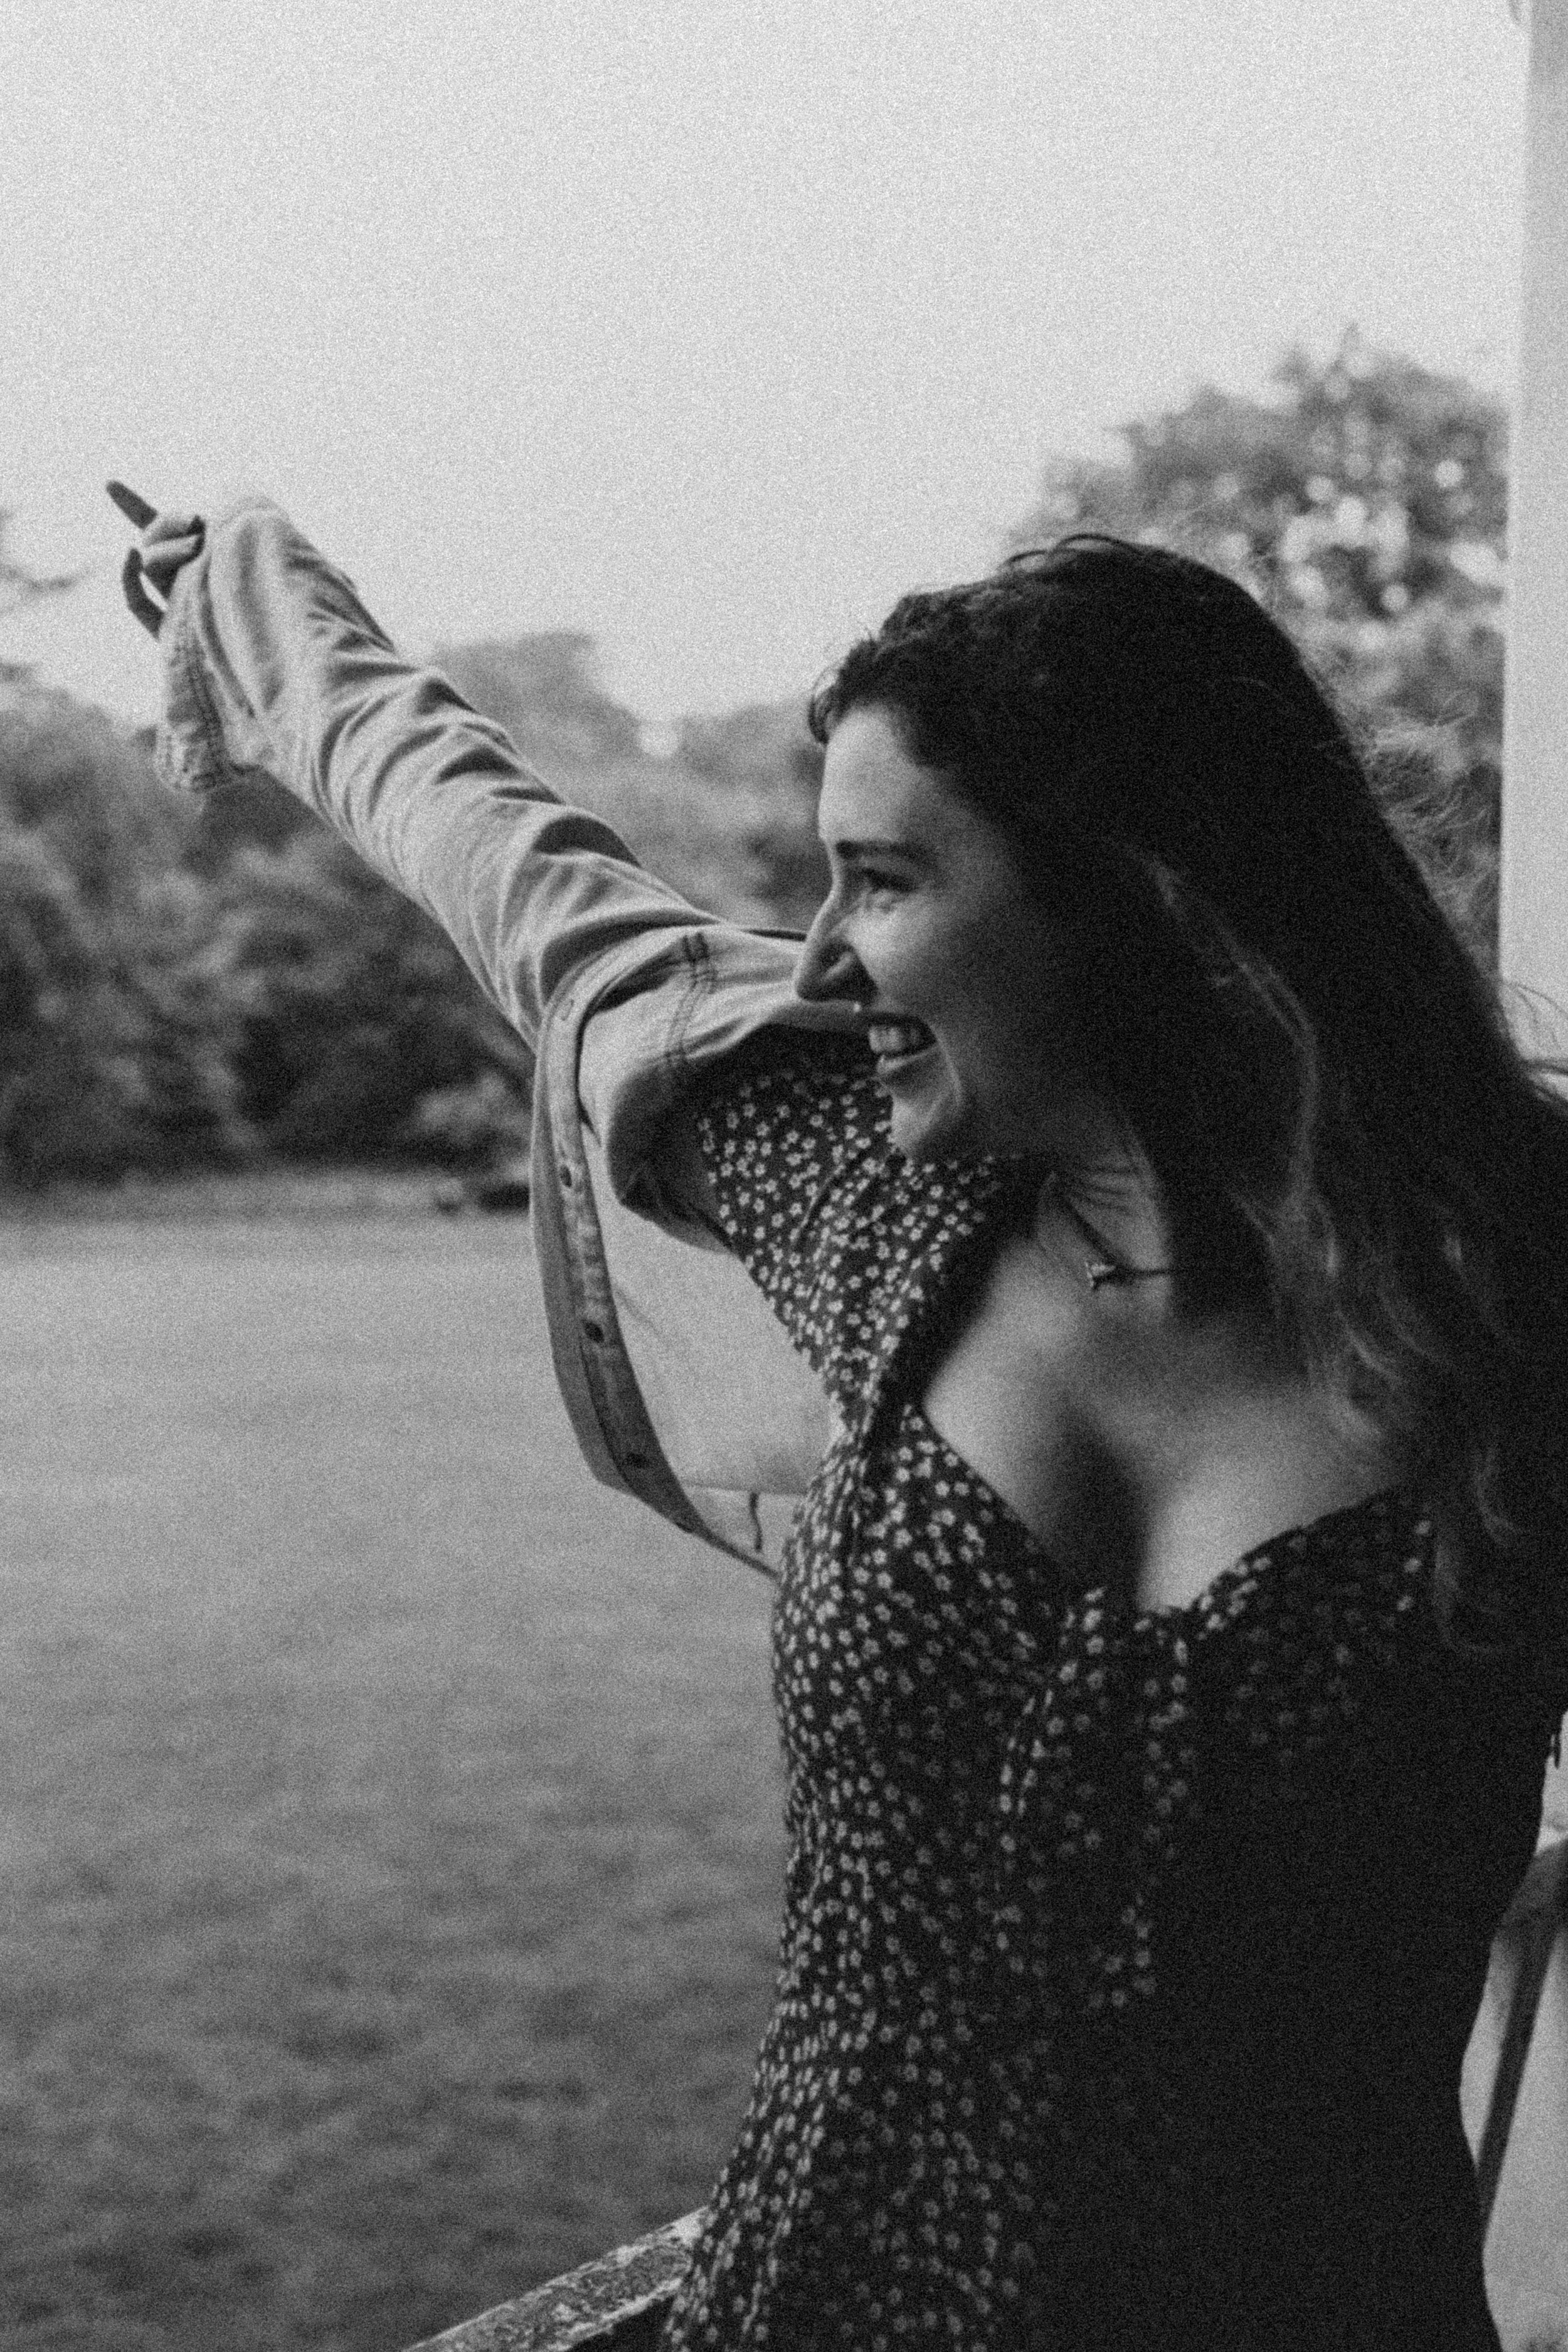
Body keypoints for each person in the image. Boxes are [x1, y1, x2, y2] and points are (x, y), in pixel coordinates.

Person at [120, 496, 1568, 2350]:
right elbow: (524, 881)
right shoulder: (871, 1211)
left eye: (881, 882)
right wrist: (260, 606)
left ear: (1141, 898)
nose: (813, 962)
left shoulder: (1520, 1312)